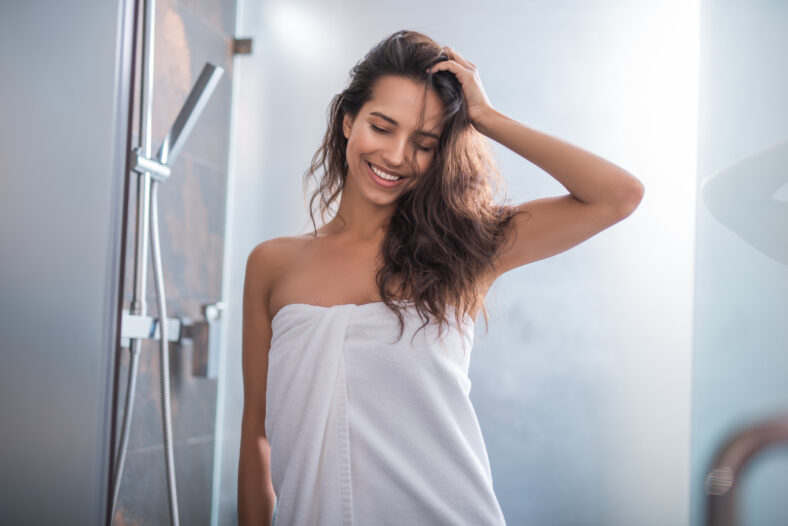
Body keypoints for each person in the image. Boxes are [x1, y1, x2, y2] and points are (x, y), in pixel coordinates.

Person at [238, 30, 643, 526]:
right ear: (348, 121)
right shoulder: (273, 265)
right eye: (382, 127)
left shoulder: (466, 251)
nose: (396, 156)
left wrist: (487, 119)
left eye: (424, 143)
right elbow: (257, 433)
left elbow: (618, 196)